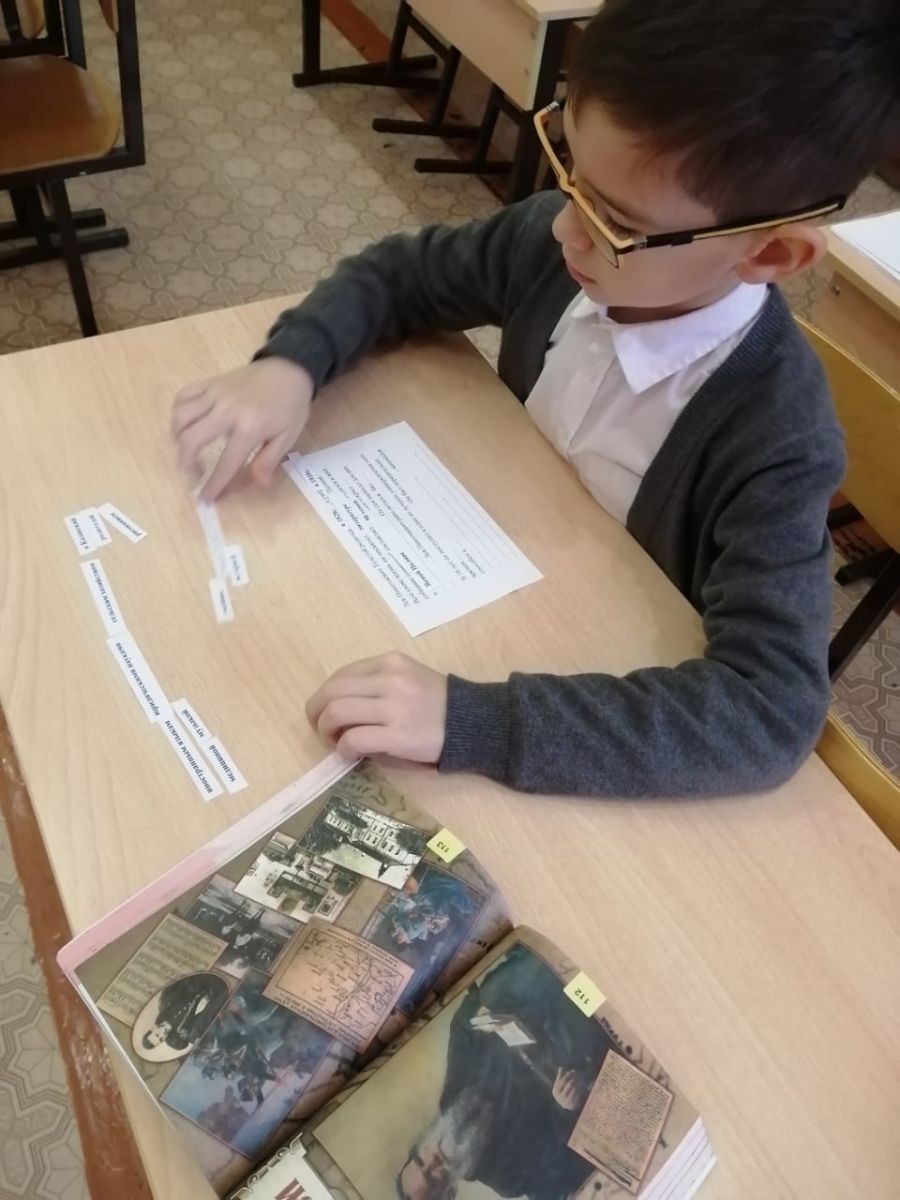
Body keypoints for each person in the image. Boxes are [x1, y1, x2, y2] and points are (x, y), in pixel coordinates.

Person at [170, 0, 900, 798]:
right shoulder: (559, 244)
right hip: (486, 580)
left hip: (586, 680)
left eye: (614, 222)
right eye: (570, 171)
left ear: (772, 253)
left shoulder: (778, 435)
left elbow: (766, 712)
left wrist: (476, 721)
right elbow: (401, 275)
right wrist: (291, 364)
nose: (565, 231)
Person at [395, 943, 614, 1200]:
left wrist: (478, 1017)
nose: (432, 1160)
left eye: (420, 1160)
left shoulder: (451, 1101)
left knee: (503, 989)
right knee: (579, 1026)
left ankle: (570, 953)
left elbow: (462, 1030)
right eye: (432, 1178)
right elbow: (563, 1154)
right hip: (564, 1051)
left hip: (525, 1007)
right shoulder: (508, 1178)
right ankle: (596, 973)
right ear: (450, 1193)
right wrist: (564, 1108)